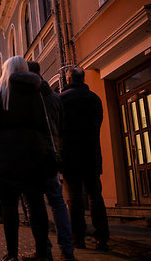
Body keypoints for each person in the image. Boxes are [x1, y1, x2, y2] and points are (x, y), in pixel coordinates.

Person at [0, 56, 50, 261]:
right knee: (37, 204)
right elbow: (43, 123)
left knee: (10, 206)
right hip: (33, 151)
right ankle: (43, 253)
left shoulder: (1, 93)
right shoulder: (36, 92)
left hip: (7, 154)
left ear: (7, 70)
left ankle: (12, 254)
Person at [25, 61, 76, 261]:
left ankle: (43, 250)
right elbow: (62, 126)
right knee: (57, 202)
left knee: (34, 204)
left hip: (33, 156)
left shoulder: (27, 97)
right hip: (53, 154)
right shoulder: (55, 98)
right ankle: (67, 249)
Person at [59, 67, 110, 251]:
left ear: (69, 79)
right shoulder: (94, 98)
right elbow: (98, 122)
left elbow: (58, 127)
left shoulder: (62, 99)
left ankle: (78, 239)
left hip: (69, 155)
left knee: (74, 198)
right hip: (91, 152)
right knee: (96, 195)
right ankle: (102, 238)